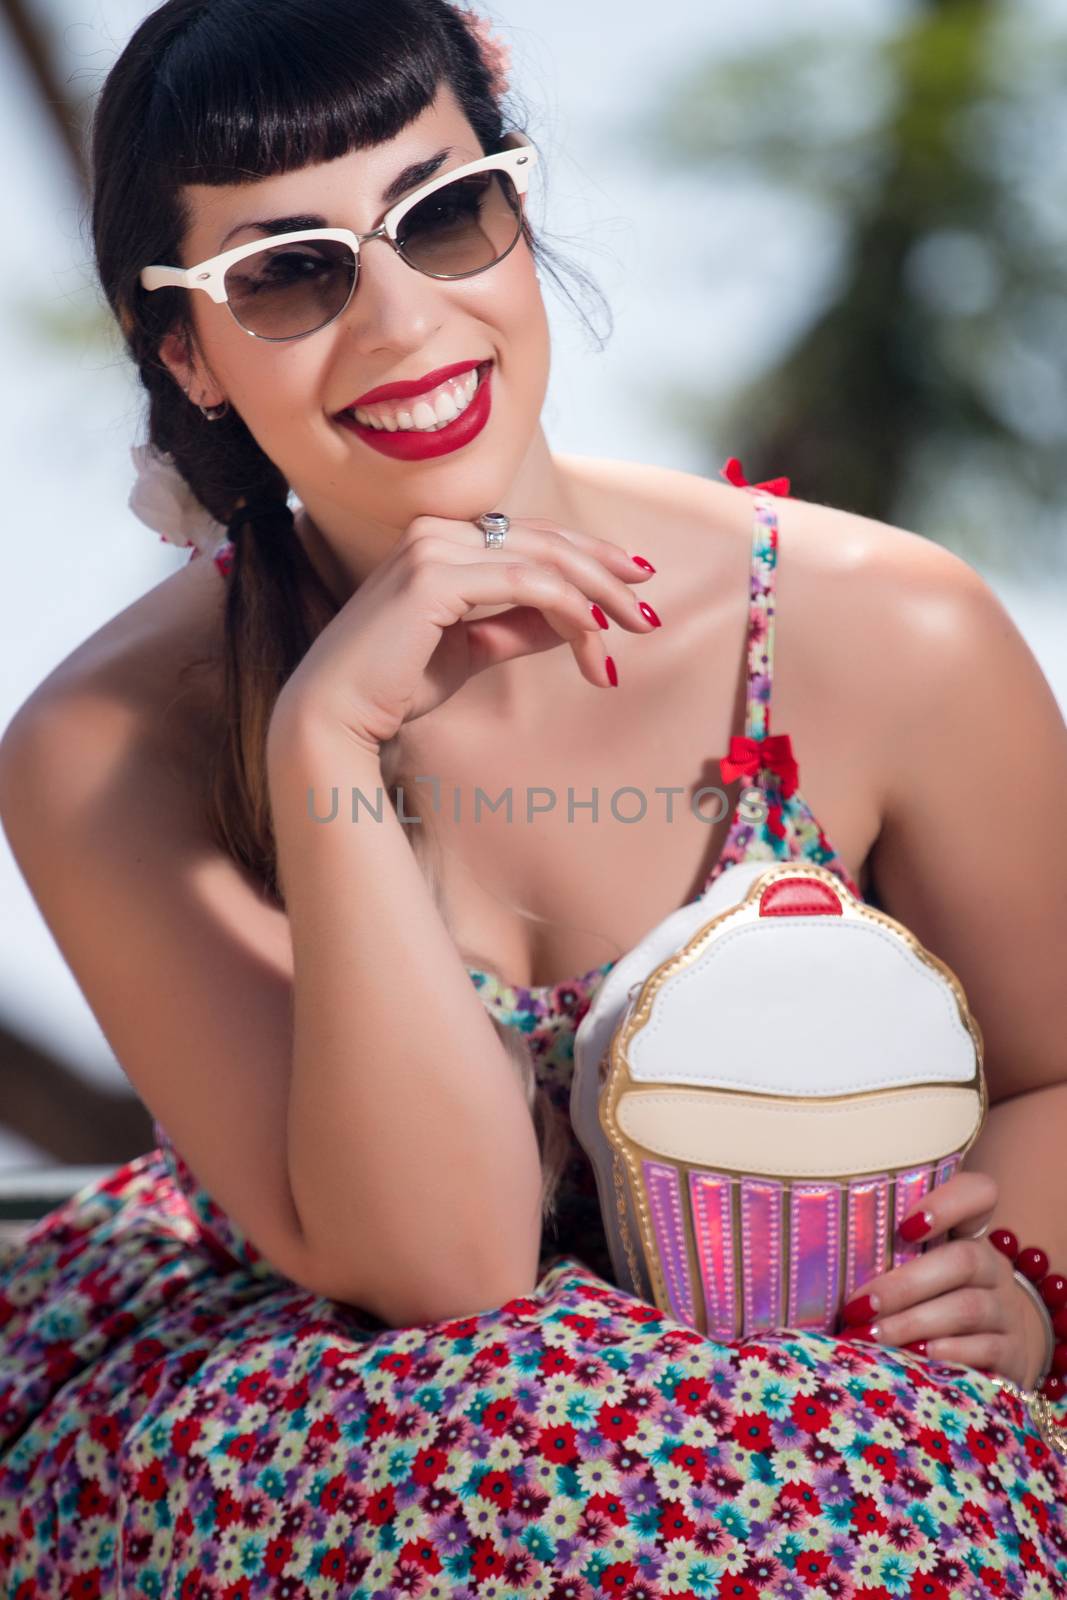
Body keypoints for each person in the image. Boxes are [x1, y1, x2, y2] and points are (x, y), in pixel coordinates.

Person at [1, 0, 1066, 1593]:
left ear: (516, 206)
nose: (403, 326)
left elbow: (1061, 1076)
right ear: (185, 351)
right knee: (493, 1468)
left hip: (836, 1380)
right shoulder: (102, 748)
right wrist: (325, 753)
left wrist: (1029, 1280)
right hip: (368, 1424)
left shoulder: (883, 628)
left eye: (443, 216)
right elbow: (449, 1270)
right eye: (288, 273)